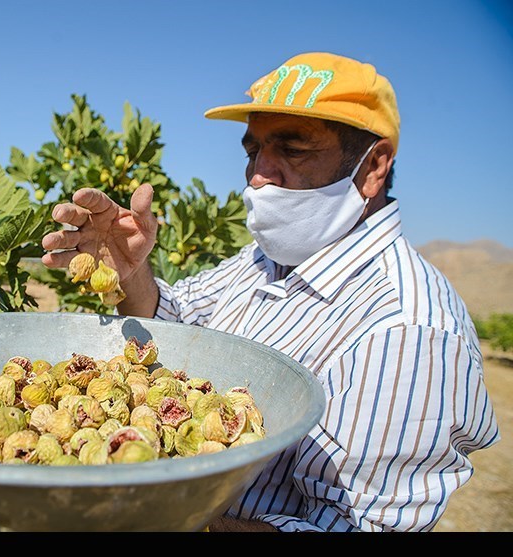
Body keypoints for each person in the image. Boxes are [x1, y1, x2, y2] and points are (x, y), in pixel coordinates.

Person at [40, 52, 500, 532]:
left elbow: (354, 528)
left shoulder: (408, 331)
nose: (259, 174)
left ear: (374, 167)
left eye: (293, 150)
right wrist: (132, 276)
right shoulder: (262, 260)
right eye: (252, 151)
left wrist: (158, 520)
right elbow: (179, 328)